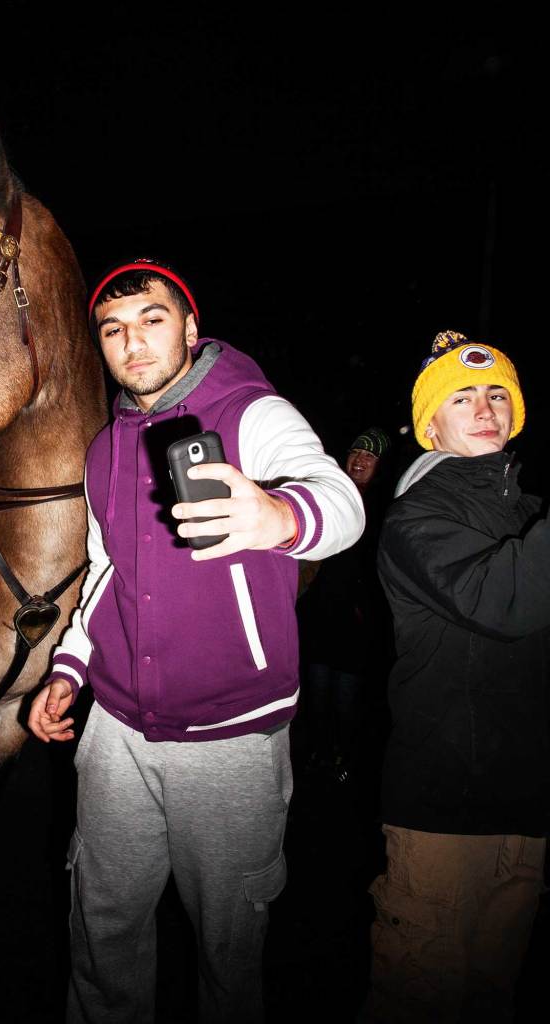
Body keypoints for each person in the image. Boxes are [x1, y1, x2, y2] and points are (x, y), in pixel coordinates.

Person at [28, 259, 364, 1022]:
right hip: (113, 735)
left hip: (231, 742)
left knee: (229, 950)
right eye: (113, 330)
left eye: (151, 320)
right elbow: (104, 570)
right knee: (102, 929)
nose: (132, 342)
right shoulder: (104, 449)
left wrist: (281, 517)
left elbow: (338, 500)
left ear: (188, 326)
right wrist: (69, 670)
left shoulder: (252, 412)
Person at [364, 330, 549, 1022]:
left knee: (489, 997)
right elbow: (504, 599)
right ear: (430, 424)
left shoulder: (530, 514)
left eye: (497, 393)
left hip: (527, 807)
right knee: (420, 995)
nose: (484, 406)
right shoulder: (418, 518)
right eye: (461, 396)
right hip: (443, 812)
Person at [299, 426, 390, 782]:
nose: (360, 460)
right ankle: (319, 752)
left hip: (357, 624)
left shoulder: (385, 509)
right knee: (317, 689)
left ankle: (343, 756)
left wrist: (369, 611)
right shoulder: (330, 494)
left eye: (370, 456)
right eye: (356, 452)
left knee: (347, 696)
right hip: (319, 615)